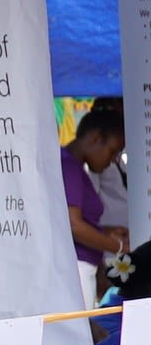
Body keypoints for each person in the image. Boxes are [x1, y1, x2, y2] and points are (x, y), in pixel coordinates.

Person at [61, 108, 128, 305]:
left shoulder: (72, 166)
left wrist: (105, 232)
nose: (113, 160)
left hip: (80, 270)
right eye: (113, 151)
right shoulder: (69, 166)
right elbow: (73, 225)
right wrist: (120, 247)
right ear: (95, 139)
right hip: (75, 271)